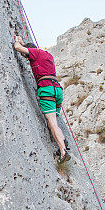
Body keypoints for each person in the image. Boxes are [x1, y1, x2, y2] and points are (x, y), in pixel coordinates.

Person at [14, 35, 70, 163]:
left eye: (27, 57)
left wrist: (17, 40)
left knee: (52, 124)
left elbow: (18, 47)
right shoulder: (47, 55)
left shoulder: (35, 53)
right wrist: (24, 43)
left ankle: (63, 152)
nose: (27, 59)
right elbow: (28, 48)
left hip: (46, 89)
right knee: (54, 120)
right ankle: (63, 142)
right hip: (57, 89)